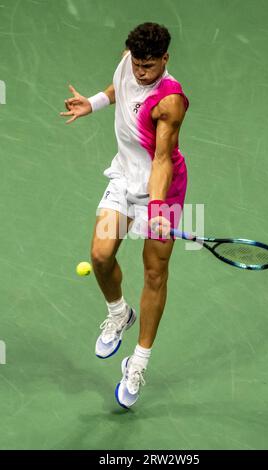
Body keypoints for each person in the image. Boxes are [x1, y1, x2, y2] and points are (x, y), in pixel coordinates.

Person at [60, 22, 189, 409]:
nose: (140, 72)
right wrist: (95, 102)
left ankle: (138, 361)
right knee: (100, 255)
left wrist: (157, 208)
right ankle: (119, 313)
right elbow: (122, 87)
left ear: (165, 59)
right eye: (136, 63)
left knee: (154, 271)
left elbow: (164, 159)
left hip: (162, 190)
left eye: (149, 66)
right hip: (123, 178)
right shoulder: (128, 64)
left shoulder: (170, 101)